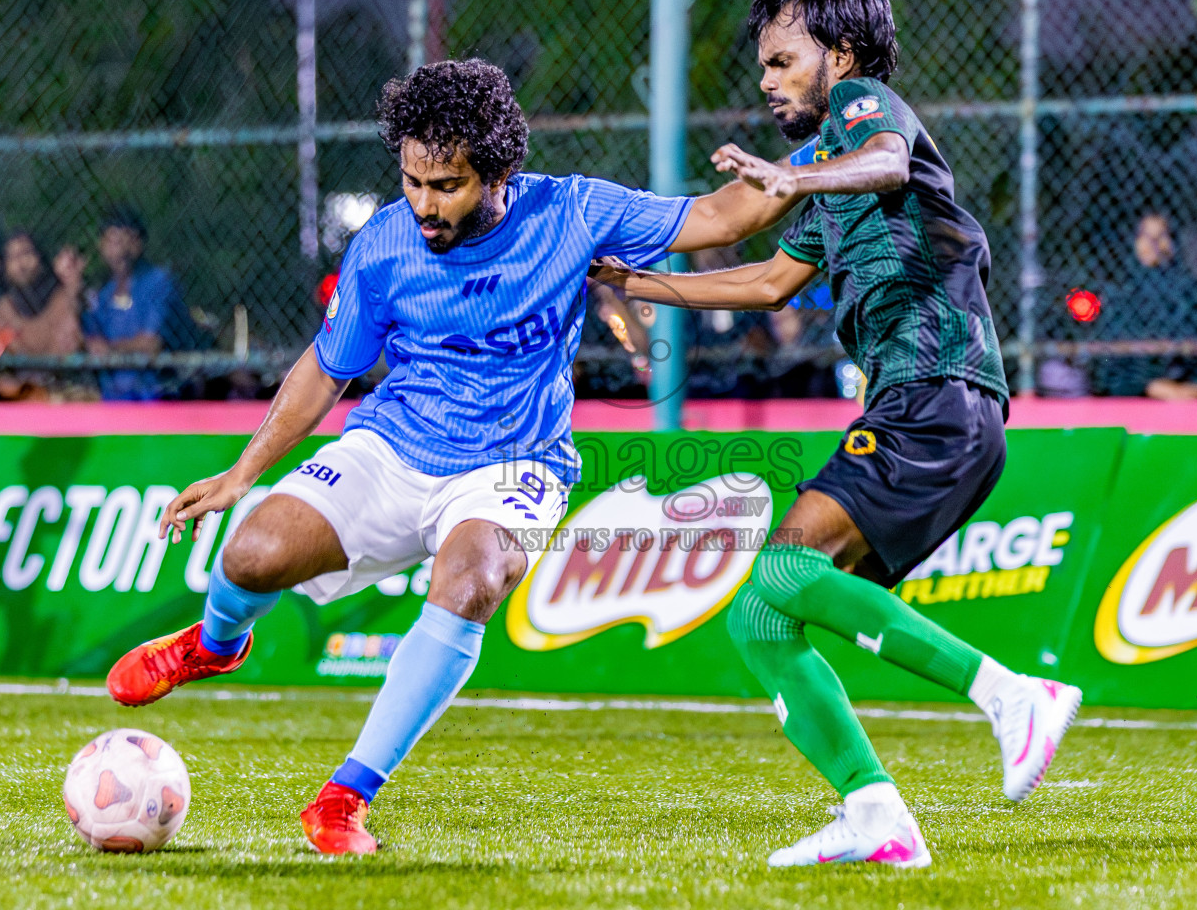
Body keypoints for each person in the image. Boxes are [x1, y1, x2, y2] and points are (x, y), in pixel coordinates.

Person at [103, 58, 802, 856]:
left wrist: (823, 161)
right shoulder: (384, 244)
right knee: (253, 553)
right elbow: (327, 369)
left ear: (500, 174)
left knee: (472, 580)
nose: (425, 205)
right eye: (412, 182)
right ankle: (217, 644)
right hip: (394, 444)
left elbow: (720, 217)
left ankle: (343, 799)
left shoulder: (571, 211)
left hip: (518, 464)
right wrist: (241, 475)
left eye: (448, 185)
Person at [592, 0, 1082, 870]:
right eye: (765, 65)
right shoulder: (828, 178)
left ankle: (1013, 695)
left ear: (841, 56)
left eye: (783, 61)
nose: (767, 79)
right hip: (924, 406)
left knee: (781, 572)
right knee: (760, 615)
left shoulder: (867, 111)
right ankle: (874, 814)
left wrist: (797, 180)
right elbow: (768, 282)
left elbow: (886, 160)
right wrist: (634, 281)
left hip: (935, 391)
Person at [1092, 212, 1197, 400]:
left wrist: (1196, 387)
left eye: (1161, 236)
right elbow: (1111, 364)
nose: (1154, 243)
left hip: (1193, 392)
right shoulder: (1122, 294)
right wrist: (1152, 387)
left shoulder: (1193, 291)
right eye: (1146, 236)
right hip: (1138, 395)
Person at [82, 207, 198, 400]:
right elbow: (91, 340)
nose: (118, 249)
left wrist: (109, 348)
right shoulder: (103, 293)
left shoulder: (158, 282)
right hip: (112, 396)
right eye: (111, 240)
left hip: (155, 393)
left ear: (139, 243)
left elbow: (151, 344)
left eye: (125, 239)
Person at [0, 232, 86, 400]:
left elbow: (66, 351)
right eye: (13, 257)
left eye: (26, 253)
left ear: (40, 258)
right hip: (20, 395)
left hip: (61, 392)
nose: (20, 264)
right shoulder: (2, 310)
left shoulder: (63, 299)